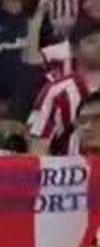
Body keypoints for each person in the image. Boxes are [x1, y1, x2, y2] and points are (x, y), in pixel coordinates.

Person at [28, 21, 100, 154]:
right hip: (73, 170)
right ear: (74, 49)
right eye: (92, 41)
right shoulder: (57, 92)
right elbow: (38, 146)